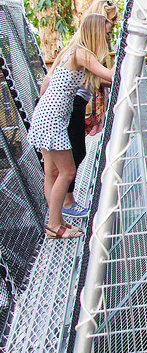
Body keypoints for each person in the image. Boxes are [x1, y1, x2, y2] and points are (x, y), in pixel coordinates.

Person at [28, 14, 115, 239]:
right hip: (53, 118)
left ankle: (56, 223)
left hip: (46, 114)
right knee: (67, 172)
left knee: (53, 172)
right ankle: (54, 227)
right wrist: (131, 53)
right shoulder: (83, 53)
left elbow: (48, 81)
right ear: (96, 32)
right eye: (106, 33)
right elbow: (111, 75)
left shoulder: (71, 50)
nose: (108, 37)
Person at [62, 0, 119, 218]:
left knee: (70, 158)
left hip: (73, 104)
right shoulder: (83, 52)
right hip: (70, 105)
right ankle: (66, 202)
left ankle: (59, 209)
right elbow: (108, 77)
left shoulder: (84, 50)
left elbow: (99, 80)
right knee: (74, 155)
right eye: (111, 23)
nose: (112, 28)